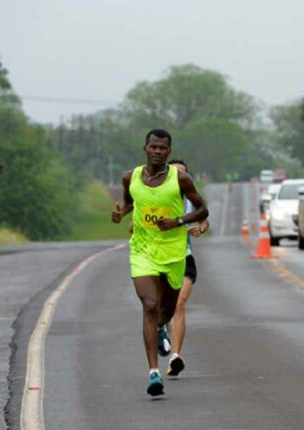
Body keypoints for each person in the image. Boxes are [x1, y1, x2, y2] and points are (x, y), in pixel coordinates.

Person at [111, 129, 208, 397]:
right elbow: (131, 202)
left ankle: (162, 329)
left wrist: (177, 222)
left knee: (165, 311)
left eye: (162, 148)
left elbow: (203, 210)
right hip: (142, 250)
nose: (157, 151)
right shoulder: (130, 176)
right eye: (153, 147)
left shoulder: (181, 179)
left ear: (168, 151)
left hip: (174, 253)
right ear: (145, 149)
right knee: (149, 305)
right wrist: (121, 213)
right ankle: (154, 372)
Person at [165, 159, 210, 377]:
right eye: (174, 172)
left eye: (183, 173)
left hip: (185, 257)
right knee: (160, 309)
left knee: (179, 304)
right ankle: (160, 330)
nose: (179, 176)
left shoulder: (191, 201)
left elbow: (204, 220)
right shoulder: (158, 199)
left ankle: (175, 356)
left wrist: (200, 228)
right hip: (159, 260)